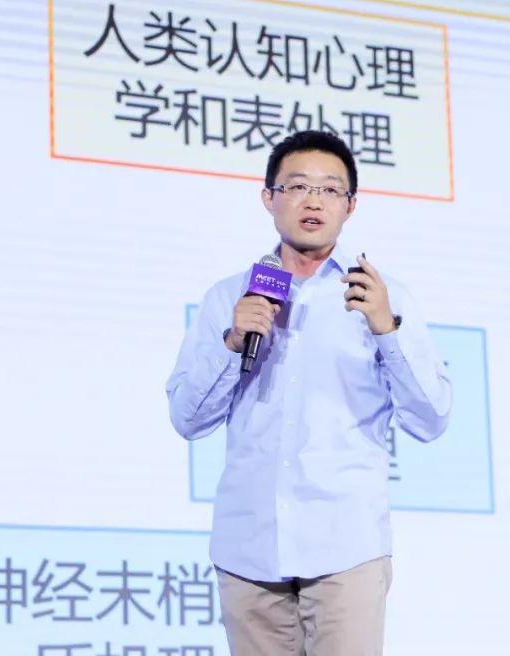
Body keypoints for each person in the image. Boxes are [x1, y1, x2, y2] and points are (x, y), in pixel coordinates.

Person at [165, 129, 452, 656]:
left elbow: (431, 420)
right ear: (268, 198)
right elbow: (188, 418)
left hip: (346, 545)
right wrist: (232, 342)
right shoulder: (229, 296)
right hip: (249, 546)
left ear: (351, 205)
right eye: (297, 186)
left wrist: (386, 329)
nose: (313, 201)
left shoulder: (380, 297)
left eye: (330, 189)